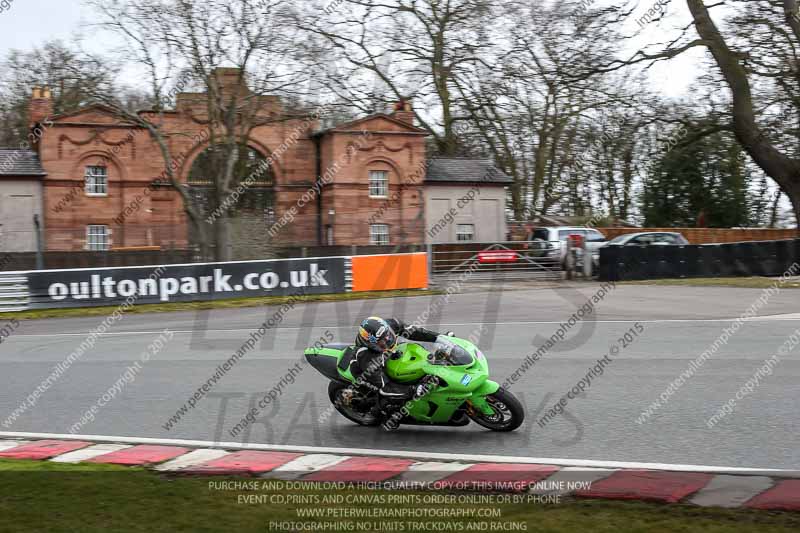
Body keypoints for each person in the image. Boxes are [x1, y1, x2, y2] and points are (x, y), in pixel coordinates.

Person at [344, 316, 449, 428]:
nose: (387, 341)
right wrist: (414, 389)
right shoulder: (367, 357)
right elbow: (385, 388)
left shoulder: (391, 324)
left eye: (388, 336)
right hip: (365, 374)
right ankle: (376, 413)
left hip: (383, 357)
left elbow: (415, 332)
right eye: (382, 342)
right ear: (371, 344)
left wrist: (439, 338)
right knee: (388, 394)